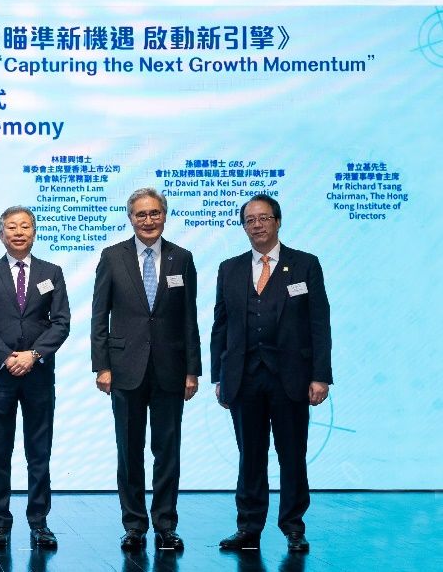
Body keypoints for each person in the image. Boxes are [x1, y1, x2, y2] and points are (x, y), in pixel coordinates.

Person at [212, 194, 332, 554]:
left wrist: (320, 375)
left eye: (264, 218)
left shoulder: (305, 264)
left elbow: (319, 323)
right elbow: (221, 325)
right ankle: (248, 527)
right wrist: (219, 376)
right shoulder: (229, 269)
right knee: (250, 455)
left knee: (292, 454)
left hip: (291, 377)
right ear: (244, 227)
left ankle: (293, 527)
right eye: (250, 220)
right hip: (243, 376)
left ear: (278, 221)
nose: (257, 225)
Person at [91, 188, 201, 551]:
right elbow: (99, 316)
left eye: (155, 213)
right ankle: (134, 525)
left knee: (167, 451)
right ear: (130, 218)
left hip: (171, 370)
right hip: (125, 370)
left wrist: (192, 370)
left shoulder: (181, 258)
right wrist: (102, 366)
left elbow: (189, 318)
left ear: (165, 216)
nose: (148, 220)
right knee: (129, 451)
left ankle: (166, 525)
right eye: (141, 214)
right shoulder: (112, 256)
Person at [0, 205, 70, 550]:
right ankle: (0, 522)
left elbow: (61, 322)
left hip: (38, 374)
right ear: (1, 235)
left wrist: (34, 355)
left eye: (25, 226)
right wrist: (7, 357)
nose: (18, 232)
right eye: (11, 227)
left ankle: (39, 522)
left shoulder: (51, 272)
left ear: (34, 232)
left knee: (39, 451)